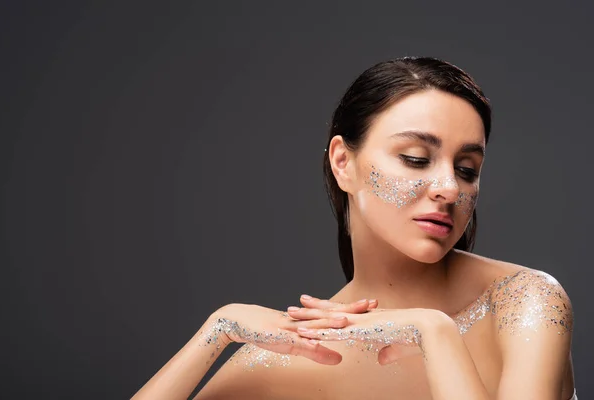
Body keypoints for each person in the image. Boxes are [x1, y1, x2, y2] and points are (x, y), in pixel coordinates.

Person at [132, 57, 576, 400]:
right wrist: (217, 330)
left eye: (467, 168)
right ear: (344, 163)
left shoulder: (523, 302)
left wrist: (435, 333)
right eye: (416, 159)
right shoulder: (289, 357)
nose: (448, 188)